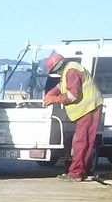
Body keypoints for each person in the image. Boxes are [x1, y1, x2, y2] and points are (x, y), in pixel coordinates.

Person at [42, 52, 103, 181]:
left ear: (58, 67)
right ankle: (79, 172)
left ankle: (76, 174)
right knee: (83, 142)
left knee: (81, 142)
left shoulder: (72, 71)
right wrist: (51, 93)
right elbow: (61, 86)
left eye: (55, 71)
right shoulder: (68, 71)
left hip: (89, 109)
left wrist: (55, 99)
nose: (57, 74)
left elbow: (73, 95)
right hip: (88, 110)